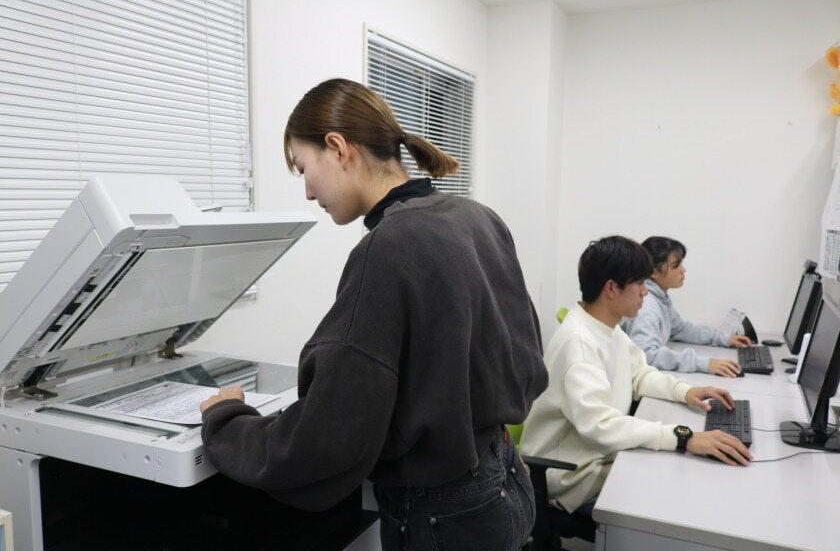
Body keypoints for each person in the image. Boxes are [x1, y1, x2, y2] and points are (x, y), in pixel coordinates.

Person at [198, 78, 547, 551]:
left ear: (338, 147)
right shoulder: (474, 216)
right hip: (507, 480)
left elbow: (328, 435)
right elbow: (524, 358)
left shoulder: (387, 247)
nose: (306, 191)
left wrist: (228, 420)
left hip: (444, 517)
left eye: (303, 168)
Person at [520, 236, 751, 538]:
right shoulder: (580, 342)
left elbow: (640, 374)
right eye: (638, 284)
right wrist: (682, 437)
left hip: (597, 456)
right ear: (612, 288)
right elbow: (601, 426)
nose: (645, 292)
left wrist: (685, 391)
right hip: (571, 473)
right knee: (673, 491)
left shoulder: (606, 326)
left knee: (677, 471)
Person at [624, 236, 752, 377]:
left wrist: (723, 339)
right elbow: (647, 354)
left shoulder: (660, 298)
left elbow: (681, 330)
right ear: (654, 271)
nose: (683, 270)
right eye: (676, 265)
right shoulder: (647, 306)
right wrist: (705, 363)